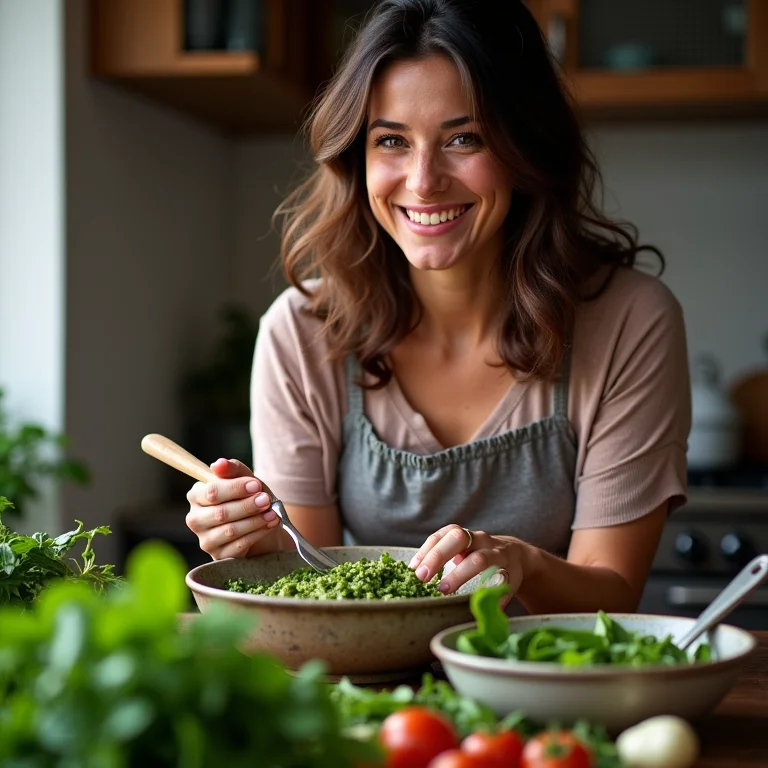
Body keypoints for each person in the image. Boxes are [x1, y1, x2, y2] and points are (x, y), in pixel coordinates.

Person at [185, 0, 691, 615]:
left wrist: (523, 564)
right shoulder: (300, 333)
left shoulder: (630, 322)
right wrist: (261, 540)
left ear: (524, 146)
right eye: (391, 140)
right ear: (358, 158)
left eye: (464, 138)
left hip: (545, 690)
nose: (423, 181)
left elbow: (613, 592)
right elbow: (313, 591)